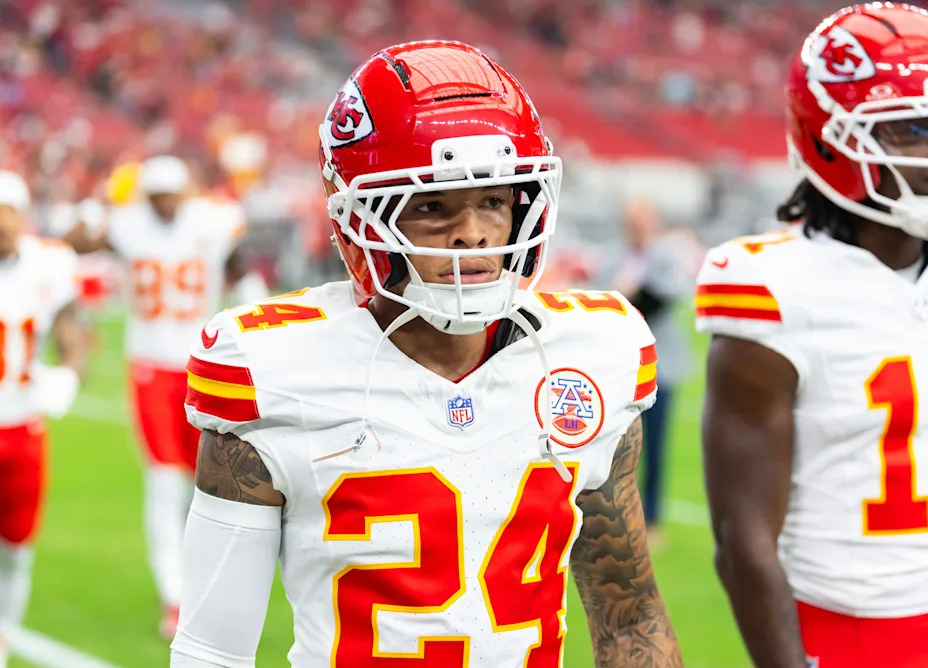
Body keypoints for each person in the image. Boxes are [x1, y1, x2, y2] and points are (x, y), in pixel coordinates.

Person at [171, 41, 682, 667]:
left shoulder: (592, 355)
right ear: (361, 217)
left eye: (495, 200)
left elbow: (630, 619)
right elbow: (212, 651)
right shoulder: (273, 370)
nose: (473, 231)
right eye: (433, 206)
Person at [697, 4, 928, 667]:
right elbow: (743, 537)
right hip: (852, 632)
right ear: (829, 140)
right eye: (913, 132)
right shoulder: (775, 288)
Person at [64, 155, 268, 638]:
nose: (165, 203)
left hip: (204, 365)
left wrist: (255, 319)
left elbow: (242, 270)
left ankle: (196, 582)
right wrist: (89, 219)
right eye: (157, 195)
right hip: (152, 367)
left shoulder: (210, 222)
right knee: (164, 481)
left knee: (208, 480)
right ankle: (174, 596)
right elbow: (79, 243)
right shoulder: (129, 225)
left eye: (171, 193)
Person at [0, 171, 89, 667]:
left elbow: (74, 324)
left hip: (23, 427)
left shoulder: (47, 265)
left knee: (17, 549)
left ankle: (3, 640)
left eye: (11, 211)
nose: (4, 224)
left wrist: (71, 374)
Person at [612, 199, 698, 544]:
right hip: (620, 368)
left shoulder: (664, 257)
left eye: (643, 220)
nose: (637, 227)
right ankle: (615, 514)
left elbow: (662, 298)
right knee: (616, 447)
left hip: (659, 367)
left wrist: (624, 298)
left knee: (655, 446)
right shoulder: (614, 255)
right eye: (632, 221)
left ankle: (653, 520)